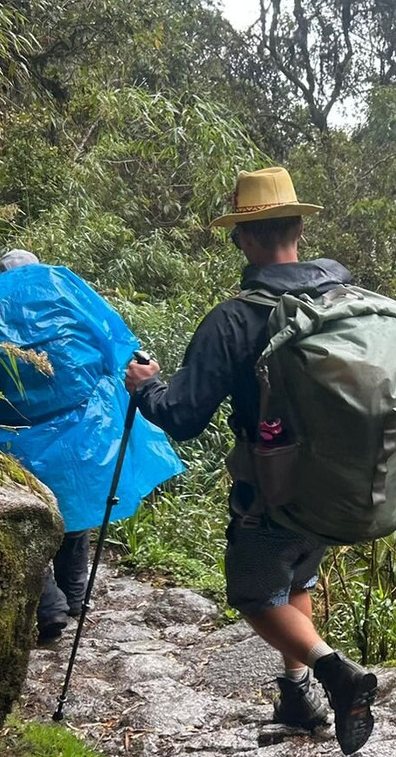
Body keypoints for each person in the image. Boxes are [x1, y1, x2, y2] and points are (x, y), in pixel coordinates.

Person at [125, 167, 377, 756]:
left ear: (244, 237)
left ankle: (334, 674)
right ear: (296, 228)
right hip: (333, 483)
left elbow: (184, 416)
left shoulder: (235, 318)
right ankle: (295, 695)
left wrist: (146, 387)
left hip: (270, 487)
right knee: (296, 579)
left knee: (252, 593)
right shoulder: (344, 299)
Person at [0, 249, 183, 643]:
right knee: (76, 509)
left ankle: (49, 608)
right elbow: (112, 340)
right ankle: (75, 597)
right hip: (82, 424)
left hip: (16, 432)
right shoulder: (64, 287)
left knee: (29, 517)